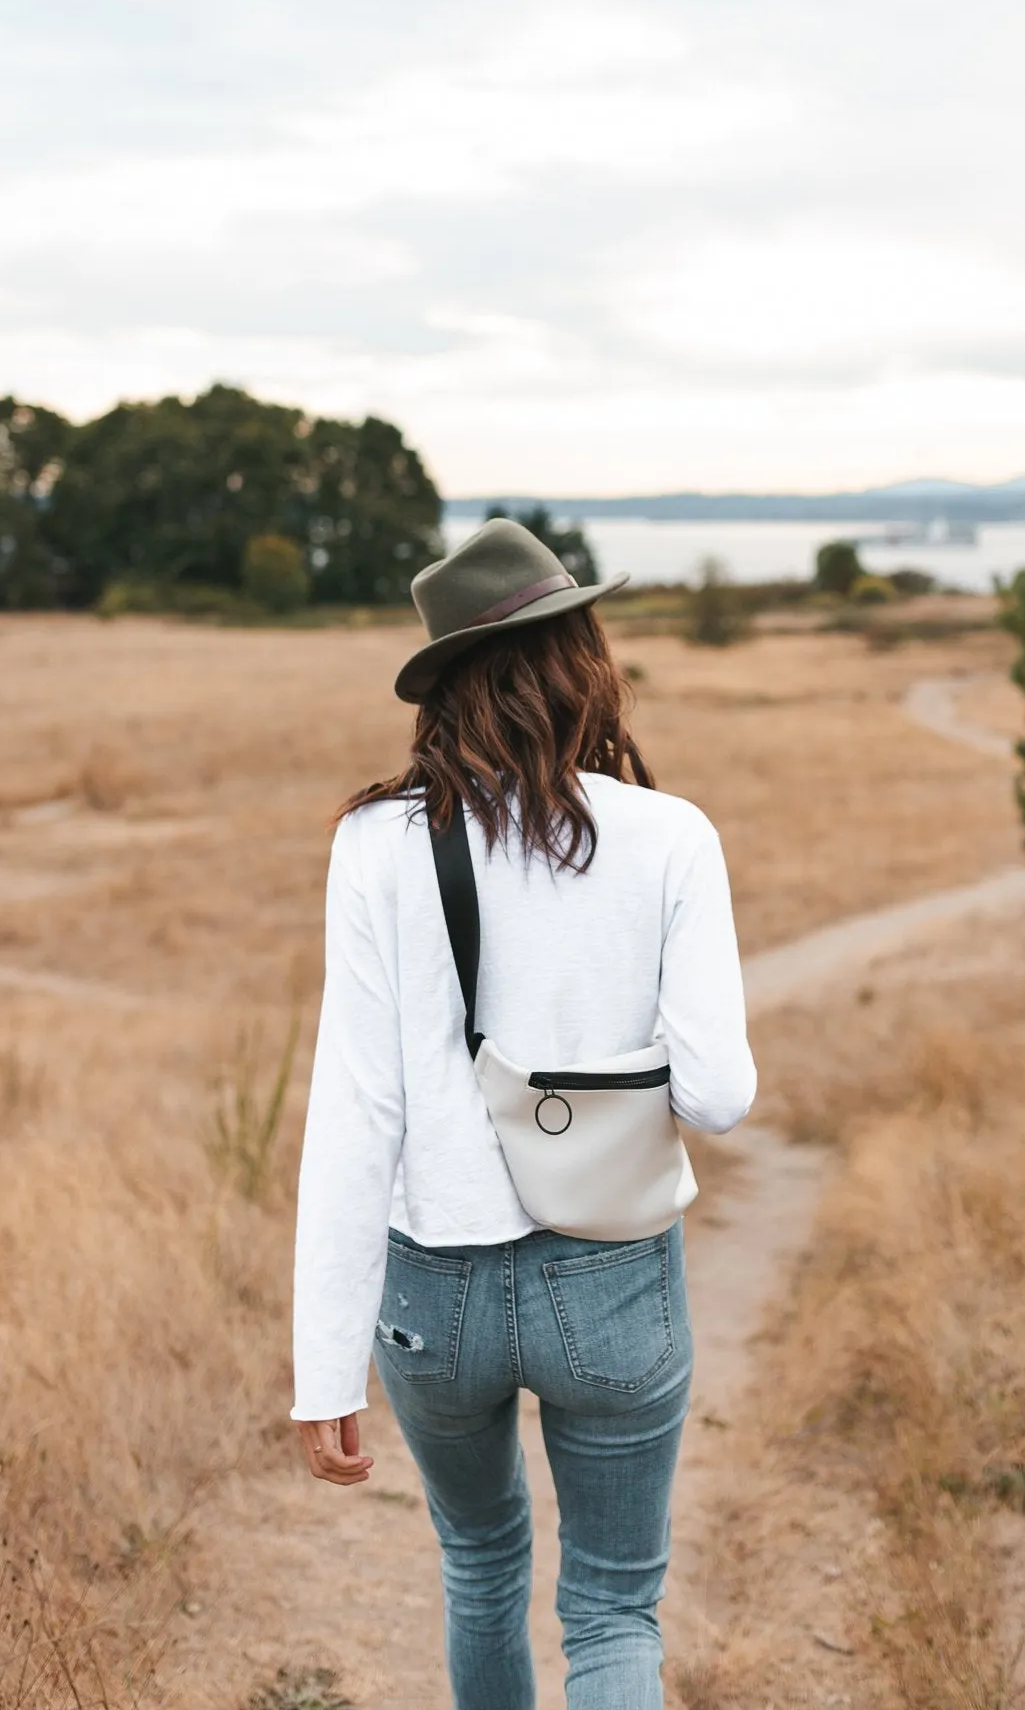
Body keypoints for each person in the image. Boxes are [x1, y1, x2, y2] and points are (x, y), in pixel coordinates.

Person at [290, 518, 756, 1710]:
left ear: (445, 687)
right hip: (611, 1280)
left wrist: (321, 1368)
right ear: (583, 656)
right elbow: (718, 1094)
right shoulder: (670, 836)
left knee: (481, 1561)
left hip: (431, 1293)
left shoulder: (374, 842)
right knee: (610, 1607)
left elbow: (356, 1109)